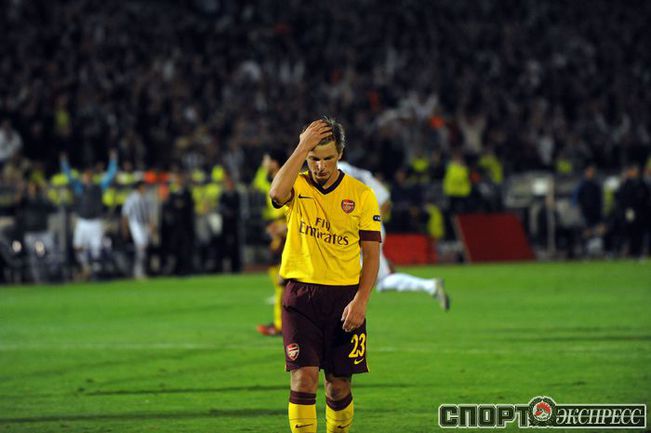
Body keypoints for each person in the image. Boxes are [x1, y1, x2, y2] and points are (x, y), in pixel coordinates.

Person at [270, 117, 381, 433]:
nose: (320, 166)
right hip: (300, 297)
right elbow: (276, 195)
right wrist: (301, 146)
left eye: (328, 158)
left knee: (338, 385)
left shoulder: (361, 195)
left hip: (343, 299)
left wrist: (361, 301)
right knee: (303, 378)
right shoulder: (297, 186)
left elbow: (372, 256)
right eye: (313, 158)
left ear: (340, 154)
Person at [339, 160, 450, 309]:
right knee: (383, 281)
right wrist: (373, 221)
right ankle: (430, 286)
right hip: (373, 228)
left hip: (354, 230)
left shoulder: (335, 170)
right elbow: (385, 201)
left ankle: (339, 311)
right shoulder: (364, 175)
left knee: (344, 272)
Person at [60, 149, 118, 279]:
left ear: (91, 177)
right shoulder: (79, 188)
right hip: (82, 222)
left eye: (88, 176)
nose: (86, 178)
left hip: (95, 222)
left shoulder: (98, 187)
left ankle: (96, 272)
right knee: (78, 246)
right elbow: (68, 175)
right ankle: (85, 267)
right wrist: (64, 162)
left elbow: (110, 175)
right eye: (85, 176)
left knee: (96, 249)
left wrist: (113, 160)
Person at [254, 149, 289, 336]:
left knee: (283, 283)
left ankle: (282, 324)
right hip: (280, 240)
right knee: (280, 282)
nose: (263, 164)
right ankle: (281, 322)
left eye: (265, 159)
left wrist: (284, 227)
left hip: (288, 240)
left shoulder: (287, 181)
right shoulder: (276, 180)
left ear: (274, 162)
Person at [121, 181, 154, 279]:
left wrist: (151, 224)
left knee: (144, 247)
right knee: (141, 246)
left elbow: (148, 213)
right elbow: (125, 214)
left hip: (145, 224)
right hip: (136, 224)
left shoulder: (146, 198)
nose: (145, 189)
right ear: (139, 187)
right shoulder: (131, 199)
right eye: (144, 187)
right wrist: (125, 228)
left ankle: (141, 270)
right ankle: (138, 271)